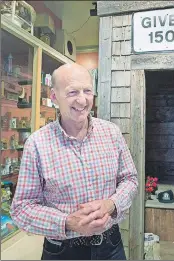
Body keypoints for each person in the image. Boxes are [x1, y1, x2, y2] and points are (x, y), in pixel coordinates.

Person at [10, 63, 139, 260]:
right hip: (62, 251)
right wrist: (68, 222)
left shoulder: (111, 133)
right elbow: (22, 208)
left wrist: (111, 204)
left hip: (111, 246)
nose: (82, 99)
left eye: (87, 90)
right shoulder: (37, 144)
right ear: (54, 97)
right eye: (72, 92)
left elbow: (130, 179)